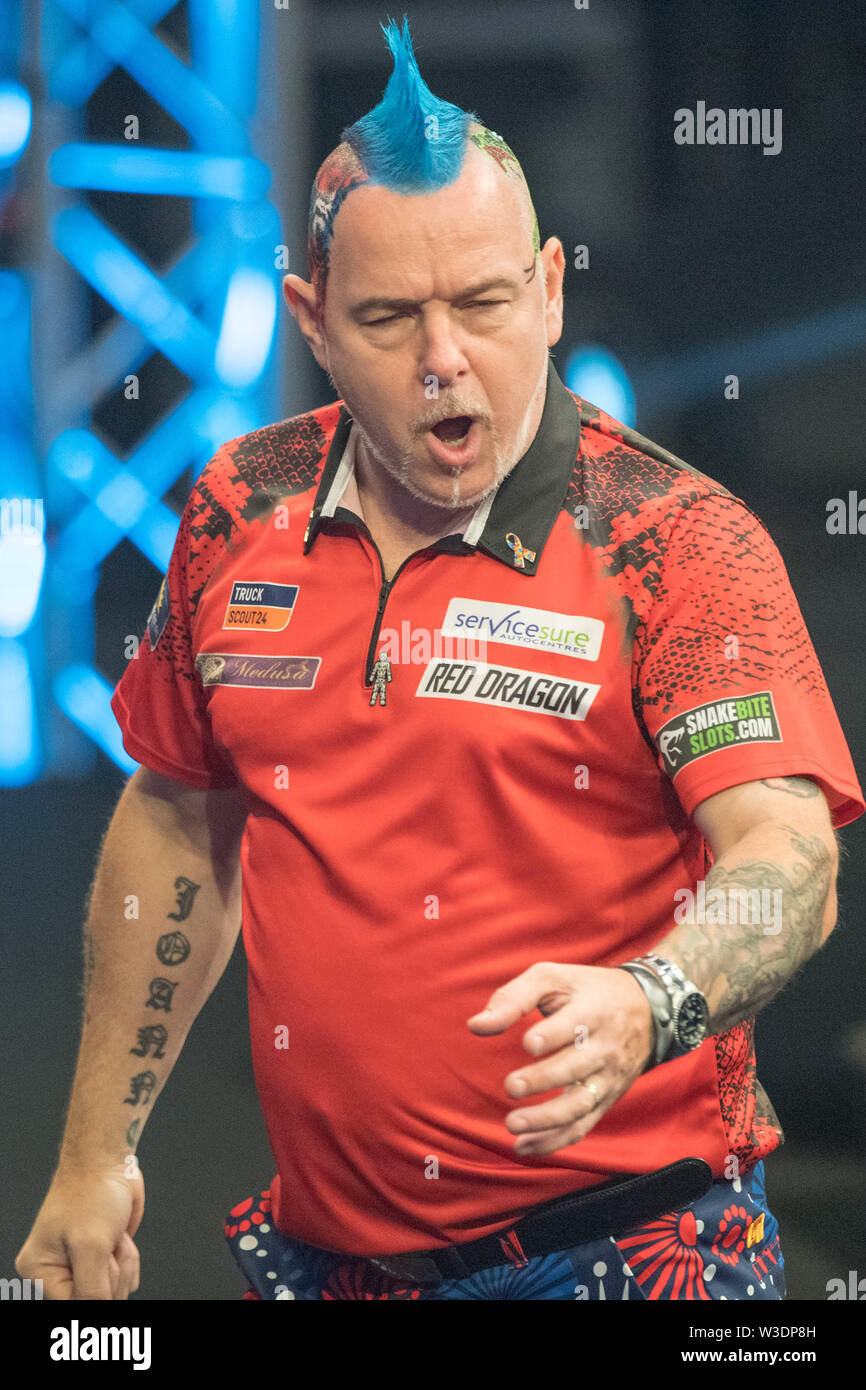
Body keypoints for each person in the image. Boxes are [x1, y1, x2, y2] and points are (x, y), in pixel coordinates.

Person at [16, 17, 863, 1302]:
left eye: (481, 301)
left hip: (633, 1253)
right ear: (309, 319)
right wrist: (93, 1154)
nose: (442, 360)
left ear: (551, 288)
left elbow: (788, 861)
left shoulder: (672, 539)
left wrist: (654, 997)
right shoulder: (240, 506)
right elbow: (179, 812)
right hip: (330, 1264)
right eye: (388, 316)